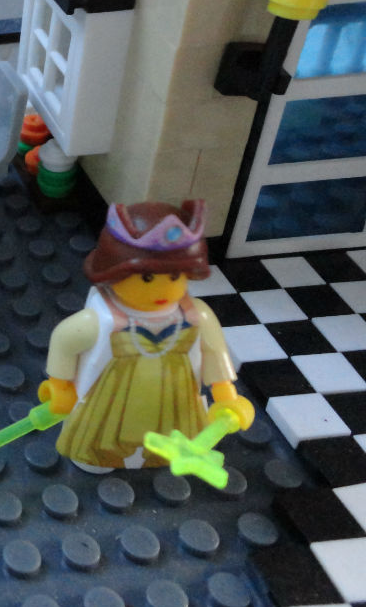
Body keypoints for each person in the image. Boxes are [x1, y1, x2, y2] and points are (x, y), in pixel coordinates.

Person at [39, 200, 255, 471]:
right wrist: (60, 386)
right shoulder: (101, 318)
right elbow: (64, 340)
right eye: (148, 278)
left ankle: (160, 457)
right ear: (116, 272)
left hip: (174, 394)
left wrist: (225, 395)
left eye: (174, 276)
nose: (162, 289)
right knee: (101, 441)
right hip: (114, 394)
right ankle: (99, 458)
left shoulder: (196, 315)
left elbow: (214, 353)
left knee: (170, 437)